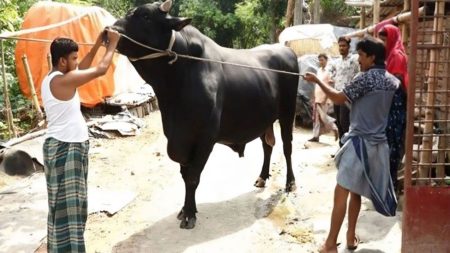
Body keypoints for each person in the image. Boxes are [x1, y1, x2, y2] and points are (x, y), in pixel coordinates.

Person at [303, 37, 399, 253]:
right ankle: (350, 237)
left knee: (341, 193)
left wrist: (318, 82)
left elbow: (338, 98)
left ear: (372, 57)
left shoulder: (364, 79)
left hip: (358, 145)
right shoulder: (392, 81)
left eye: (362, 55)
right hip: (378, 145)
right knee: (355, 192)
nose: (359, 60)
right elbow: (361, 102)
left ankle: (329, 244)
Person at [41, 29, 120, 252]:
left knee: (71, 206)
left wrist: (97, 44)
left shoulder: (60, 77)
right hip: (65, 147)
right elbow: (100, 69)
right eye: (73, 58)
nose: (77, 62)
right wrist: (112, 44)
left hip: (71, 146)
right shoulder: (60, 81)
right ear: (62, 60)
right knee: (69, 208)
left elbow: (83, 67)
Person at [378, 24, 408, 192]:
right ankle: (385, 188)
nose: (382, 42)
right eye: (380, 39)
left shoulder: (396, 56)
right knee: (385, 149)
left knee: (391, 150)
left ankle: (390, 190)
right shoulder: (387, 56)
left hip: (395, 107)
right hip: (387, 106)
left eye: (384, 39)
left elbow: (396, 84)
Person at [328, 37, 360, 146]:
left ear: (349, 47)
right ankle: (341, 148)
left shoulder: (355, 59)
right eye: (340, 46)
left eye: (344, 46)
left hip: (347, 96)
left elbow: (359, 73)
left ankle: (348, 149)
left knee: (345, 122)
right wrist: (332, 78)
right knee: (339, 123)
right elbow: (330, 71)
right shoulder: (337, 61)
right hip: (337, 95)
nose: (341, 48)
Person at [308, 53, 338, 142]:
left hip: (324, 97)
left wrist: (326, 97)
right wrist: (314, 96)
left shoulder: (329, 71)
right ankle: (315, 136)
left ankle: (334, 127)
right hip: (317, 96)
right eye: (319, 60)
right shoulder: (318, 71)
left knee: (323, 117)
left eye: (322, 60)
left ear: (326, 60)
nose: (320, 62)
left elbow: (330, 85)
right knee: (316, 118)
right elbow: (317, 84)